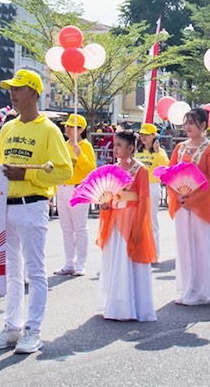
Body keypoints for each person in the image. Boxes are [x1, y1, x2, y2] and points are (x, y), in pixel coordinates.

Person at [0, 69, 71, 355]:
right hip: (6, 208)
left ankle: (33, 330)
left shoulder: (49, 130)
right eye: (11, 88)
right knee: (11, 272)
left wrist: (29, 177)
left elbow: (64, 171)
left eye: (18, 88)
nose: (13, 92)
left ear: (34, 92)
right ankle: (12, 327)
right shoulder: (8, 128)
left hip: (32, 206)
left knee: (35, 271)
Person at [96, 129, 156, 321]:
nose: (115, 149)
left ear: (131, 148)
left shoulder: (141, 170)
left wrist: (139, 226)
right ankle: (115, 303)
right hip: (114, 218)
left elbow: (144, 200)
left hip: (131, 217)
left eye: (119, 145)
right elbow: (107, 194)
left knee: (127, 259)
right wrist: (105, 204)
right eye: (114, 145)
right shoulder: (112, 169)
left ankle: (130, 305)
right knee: (115, 258)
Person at [168, 107, 210, 305]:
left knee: (202, 247)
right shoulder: (180, 148)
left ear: (202, 125)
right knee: (184, 247)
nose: (187, 127)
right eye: (186, 123)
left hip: (202, 206)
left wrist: (193, 200)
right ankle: (186, 288)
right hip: (182, 204)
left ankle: (202, 291)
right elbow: (170, 174)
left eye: (191, 123)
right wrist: (178, 196)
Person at [53, 113, 96, 277]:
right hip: (62, 187)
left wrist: (80, 155)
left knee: (80, 228)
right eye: (68, 126)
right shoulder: (63, 145)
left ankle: (81, 263)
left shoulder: (85, 146)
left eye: (73, 127)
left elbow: (90, 169)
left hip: (78, 189)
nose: (69, 129)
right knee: (66, 229)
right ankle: (68, 263)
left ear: (81, 129)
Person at [134, 123, 169, 259]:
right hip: (138, 188)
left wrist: (157, 153)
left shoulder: (160, 152)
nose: (144, 137)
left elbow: (165, 167)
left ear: (154, 136)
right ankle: (140, 250)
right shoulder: (138, 152)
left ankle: (153, 252)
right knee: (138, 220)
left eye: (147, 134)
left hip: (152, 186)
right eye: (142, 134)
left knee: (151, 220)